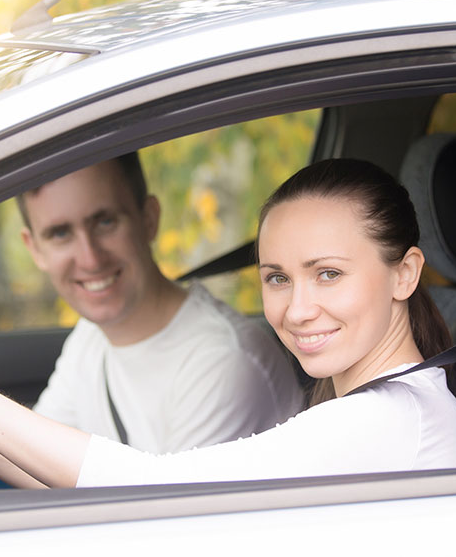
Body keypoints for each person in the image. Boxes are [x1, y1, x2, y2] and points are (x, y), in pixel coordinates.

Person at [0, 158, 456, 489]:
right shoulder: (383, 410)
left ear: (405, 274)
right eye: (277, 277)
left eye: (328, 274)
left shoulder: (387, 422)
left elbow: (153, 490)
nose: (295, 309)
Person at [16, 154, 303, 455]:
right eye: (60, 233)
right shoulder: (89, 337)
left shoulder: (222, 361)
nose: (90, 258)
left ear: (149, 219)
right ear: (35, 249)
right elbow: (32, 457)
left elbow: (171, 502)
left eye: (105, 222)